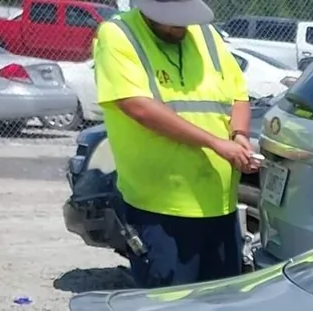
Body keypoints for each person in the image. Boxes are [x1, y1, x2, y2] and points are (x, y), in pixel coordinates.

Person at [91, 0, 257, 288]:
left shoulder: (206, 35)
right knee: (168, 304)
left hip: (220, 205)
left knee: (220, 302)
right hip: (161, 208)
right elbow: (138, 106)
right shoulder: (118, 34)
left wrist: (239, 136)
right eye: (171, 19)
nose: (179, 26)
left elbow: (238, 95)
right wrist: (215, 143)